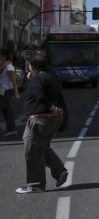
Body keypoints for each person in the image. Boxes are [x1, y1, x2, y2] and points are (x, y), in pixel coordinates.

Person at [16, 53, 69, 194]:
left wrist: (51, 107)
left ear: (32, 66)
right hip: (53, 119)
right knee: (41, 147)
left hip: (40, 118)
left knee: (32, 151)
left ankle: (36, 185)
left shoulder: (38, 79)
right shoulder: (52, 76)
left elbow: (40, 96)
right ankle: (59, 171)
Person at [1, 48, 21, 136]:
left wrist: (16, 93)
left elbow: (13, 82)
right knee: (6, 110)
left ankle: (12, 129)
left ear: (4, 56)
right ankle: (11, 129)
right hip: (2, 90)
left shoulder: (9, 67)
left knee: (6, 109)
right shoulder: (3, 65)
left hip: (7, 90)